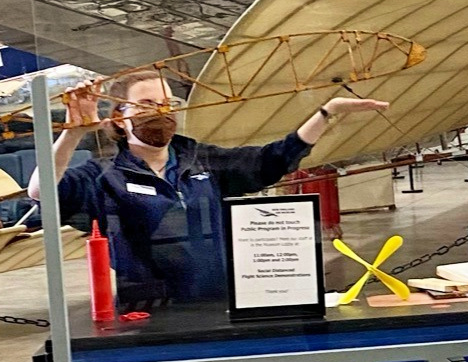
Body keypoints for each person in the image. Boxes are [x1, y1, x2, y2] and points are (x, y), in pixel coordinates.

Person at [27, 70, 388, 305]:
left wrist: (327, 113)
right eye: (147, 104)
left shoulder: (199, 159)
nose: (161, 112)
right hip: (148, 316)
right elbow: (42, 192)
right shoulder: (103, 176)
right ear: (119, 118)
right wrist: (73, 132)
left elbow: (270, 160)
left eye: (167, 103)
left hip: (220, 304)